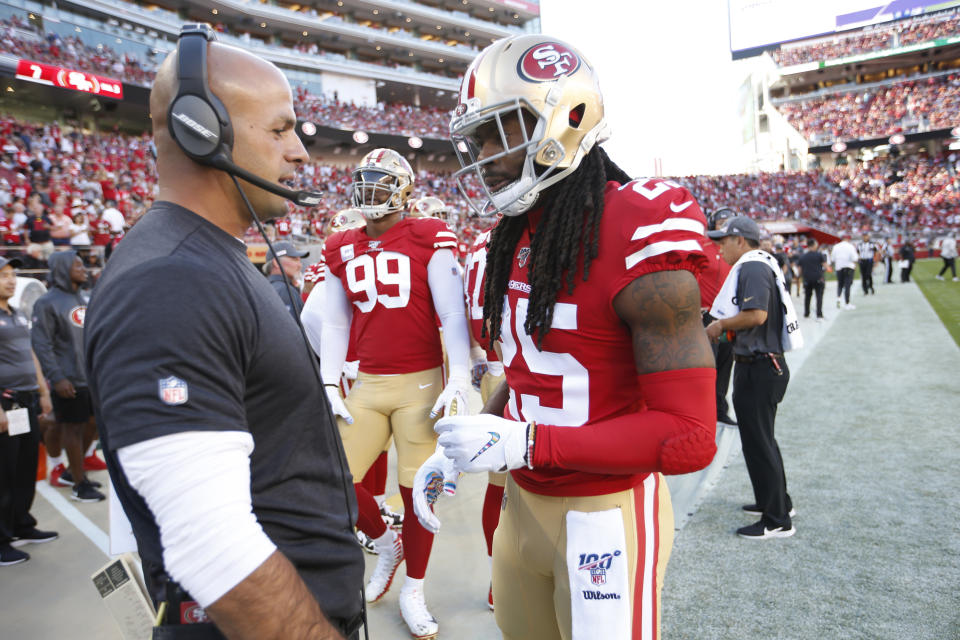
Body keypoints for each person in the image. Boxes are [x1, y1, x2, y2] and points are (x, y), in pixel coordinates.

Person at [415, 35, 717, 640]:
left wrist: (526, 444)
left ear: (565, 118)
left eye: (498, 130)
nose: (480, 154)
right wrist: (459, 446)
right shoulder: (503, 245)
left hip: (606, 515)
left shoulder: (637, 227)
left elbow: (689, 437)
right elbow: (530, 376)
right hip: (522, 509)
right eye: (475, 137)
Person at [84, 31, 363, 639]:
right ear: (200, 130)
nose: (301, 154)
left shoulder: (210, 259)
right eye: (280, 129)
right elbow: (211, 547)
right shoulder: (170, 280)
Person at [319, 147, 471, 639]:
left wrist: (461, 374)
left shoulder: (428, 235)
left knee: (419, 494)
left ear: (403, 191)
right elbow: (336, 318)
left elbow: (451, 315)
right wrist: (327, 377)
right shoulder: (341, 244)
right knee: (334, 479)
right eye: (365, 180)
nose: (370, 192)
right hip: (366, 382)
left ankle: (415, 588)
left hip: (421, 383)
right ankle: (386, 543)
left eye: (381, 183)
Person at [705, 216, 802, 539]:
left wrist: (719, 325)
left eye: (724, 241)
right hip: (761, 364)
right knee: (761, 441)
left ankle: (777, 520)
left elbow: (756, 315)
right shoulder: (758, 263)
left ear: (741, 241)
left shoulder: (752, 267)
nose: (719, 249)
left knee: (760, 442)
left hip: (760, 365)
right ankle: (775, 502)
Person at [30, 250, 104, 502]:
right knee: (72, 429)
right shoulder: (47, 302)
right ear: (63, 269)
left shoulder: (83, 298)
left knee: (93, 424)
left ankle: (75, 471)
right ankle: (79, 485)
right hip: (67, 380)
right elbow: (42, 344)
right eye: (78, 265)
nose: (83, 269)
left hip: (90, 378)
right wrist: (57, 377)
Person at [0, 256, 58, 566]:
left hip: (24, 401)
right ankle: (1, 538)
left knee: (23, 465)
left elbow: (30, 354)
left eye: (12, 275)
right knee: (3, 472)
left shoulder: (18, 313)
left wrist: (43, 391)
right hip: (5, 403)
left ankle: (22, 523)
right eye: (3, 275)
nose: (10, 280)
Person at [704, 208, 736, 426]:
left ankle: (719, 408)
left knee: (725, 361)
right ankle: (703, 411)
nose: (724, 224)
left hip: (729, 316)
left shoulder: (734, 250)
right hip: (705, 315)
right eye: (720, 221)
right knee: (708, 365)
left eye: (728, 221)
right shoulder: (702, 245)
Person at [264, 240, 308, 319]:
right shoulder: (285, 290)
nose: (300, 265)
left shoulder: (266, 287)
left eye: (299, 260)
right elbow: (291, 330)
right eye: (294, 259)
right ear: (277, 263)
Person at [798, 238, 827, 320]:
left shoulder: (803, 256)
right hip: (818, 278)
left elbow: (799, 269)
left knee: (807, 296)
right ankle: (819, 314)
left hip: (807, 279)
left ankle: (806, 313)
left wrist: (800, 277)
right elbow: (825, 266)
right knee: (819, 297)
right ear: (814, 245)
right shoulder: (819, 255)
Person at [831, 234, 858, 309]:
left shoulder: (836, 246)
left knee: (840, 284)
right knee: (847, 285)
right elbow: (854, 258)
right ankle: (847, 303)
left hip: (839, 267)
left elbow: (833, 258)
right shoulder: (850, 246)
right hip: (848, 267)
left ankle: (838, 299)